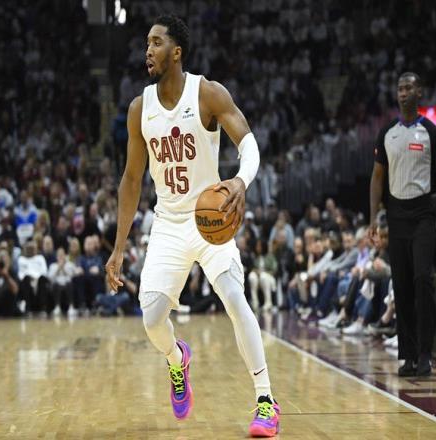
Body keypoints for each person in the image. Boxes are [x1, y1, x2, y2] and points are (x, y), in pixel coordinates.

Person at [105, 15, 279, 437]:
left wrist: (241, 181)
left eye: (156, 42)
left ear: (176, 51)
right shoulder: (139, 108)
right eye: (146, 43)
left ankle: (265, 401)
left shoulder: (207, 93)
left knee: (235, 298)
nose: (148, 50)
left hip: (209, 218)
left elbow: (249, 145)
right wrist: (119, 247)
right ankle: (177, 359)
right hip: (167, 222)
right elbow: (131, 180)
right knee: (151, 319)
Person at [369, 72, 436, 377]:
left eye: (408, 88)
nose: (403, 92)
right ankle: (408, 355)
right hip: (396, 215)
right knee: (402, 284)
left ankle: (425, 353)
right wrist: (373, 218)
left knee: (422, 278)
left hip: (423, 215)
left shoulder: (431, 132)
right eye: (400, 88)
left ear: (419, 92)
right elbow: (377, 178)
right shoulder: (387, 133)